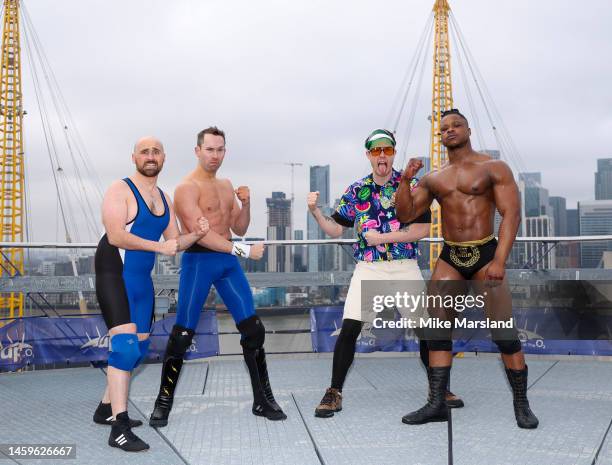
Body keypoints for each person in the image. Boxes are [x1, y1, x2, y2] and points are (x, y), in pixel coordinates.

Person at [396, 109, 539, 429]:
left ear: (468, 129)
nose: (449, 130)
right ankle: (436, 403)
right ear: (439, 135)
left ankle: (521, 404)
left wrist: (500, 261)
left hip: (485, 254)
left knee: (504, 333)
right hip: (450, 256)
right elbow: (406, 214)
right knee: (437, 332)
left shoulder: (493, 167)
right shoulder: (435, 177)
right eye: (444, 128)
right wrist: (406, 178)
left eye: (456, 125)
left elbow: (511, 215)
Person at [149, 126, 286, 427]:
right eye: (209, 149)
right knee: (183, 335)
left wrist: (246, 203)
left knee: (253, 330)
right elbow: (204, 236)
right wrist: (243, 252)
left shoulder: (226, 184)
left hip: (227, 263)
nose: (215, 155)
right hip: (201, 262)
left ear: (225, 151)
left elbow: (237, 227)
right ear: (198, 151)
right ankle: (163, 403)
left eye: (220, 149)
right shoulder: (187, 188)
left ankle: (262, 400)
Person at [309, 129, 440, 418]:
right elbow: (335, 229)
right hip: (369, 268)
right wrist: (316, 213)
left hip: (405, 266)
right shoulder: (357, 190)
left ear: (394, 153)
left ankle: (438, 389)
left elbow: (422, 230)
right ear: (368, 155)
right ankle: (334, 392)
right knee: (350, 328)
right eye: (376, 150)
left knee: (425, 330)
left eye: (388, 150)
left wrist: (381, 239)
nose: (382, 155)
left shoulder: (413, 185)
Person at [94, 136, 210, 452]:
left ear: (163, 158)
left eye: (155, 151)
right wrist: (159, 245)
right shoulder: (120, 190)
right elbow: (116, 234)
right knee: (125, 348)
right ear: (134, 157)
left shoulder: (163, 197)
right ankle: (118, 427)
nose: (150, 156)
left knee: (139, 350)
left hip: (140, 279)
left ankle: (105, 408)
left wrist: (196, 234)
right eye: (144, 151)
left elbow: (174, 242)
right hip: (113, 272)